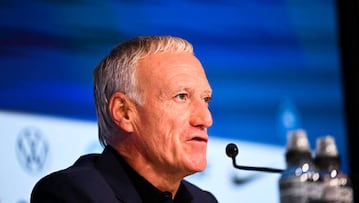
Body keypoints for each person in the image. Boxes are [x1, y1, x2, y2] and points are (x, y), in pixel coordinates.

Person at [30, 35, 218, 203]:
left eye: (206, 99)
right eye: (181, 96)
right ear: (124, 112)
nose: (206, 119)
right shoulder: (71, 194)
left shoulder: (205, 200)